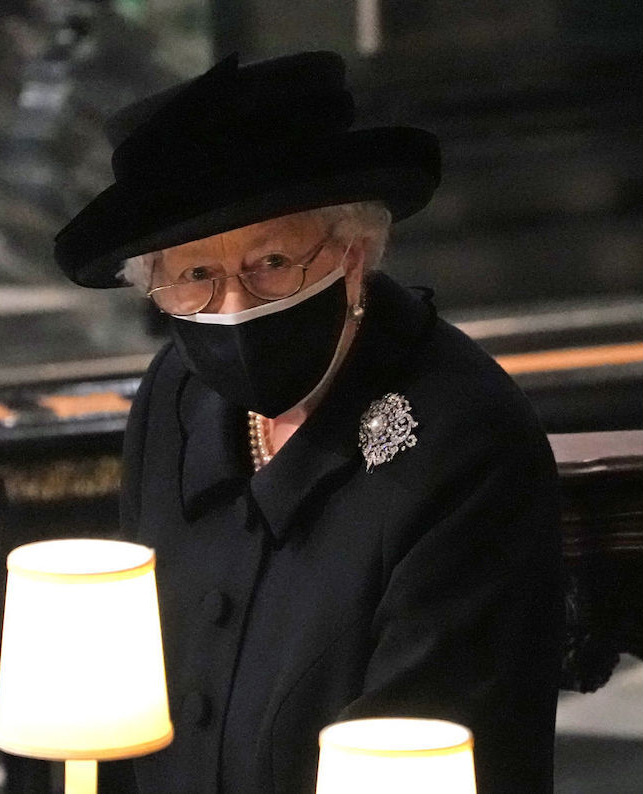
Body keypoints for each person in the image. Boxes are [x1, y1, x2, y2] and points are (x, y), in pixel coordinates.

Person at [53, 51, 562, 794]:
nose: (233, 306)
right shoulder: (174, 395)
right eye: (195, 275)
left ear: (353, 255)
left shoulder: (465, 441)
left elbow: (428, 746)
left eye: (271, 262)